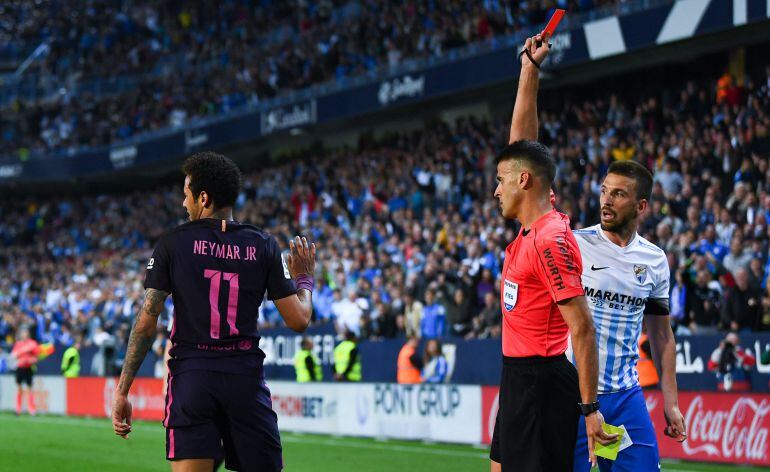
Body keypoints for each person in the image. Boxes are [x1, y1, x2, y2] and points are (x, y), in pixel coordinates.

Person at [111, 151, 317, 472]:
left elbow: (146, 323)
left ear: (203, 198)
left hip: (192, 379)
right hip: (245, 381)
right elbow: (299, 319)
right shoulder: (263, 245)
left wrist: (123, 391)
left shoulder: (172, 244)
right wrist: (304, 278)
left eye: (186, 195)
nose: (183, 204)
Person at [490, 33, 614, 472]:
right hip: (517, 376)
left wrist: (589, 408)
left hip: (540, 383)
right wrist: (529, 69)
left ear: (523, 183)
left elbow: (582, 327)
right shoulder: (533, 224)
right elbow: (522, 149)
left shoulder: (550, 240)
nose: (495, 190)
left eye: (501, 181)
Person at [571, 160, 687, 472]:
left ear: (641, 206)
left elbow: (662, 336)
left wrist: (671, 403)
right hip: (570, 396)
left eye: (619, 194)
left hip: (623, 398)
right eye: (605, 191)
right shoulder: (575, 244)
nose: (606, 200)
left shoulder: (654, 260)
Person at [11, 327, 40, 415]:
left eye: (26, 333)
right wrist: (19, 356)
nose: (24, 335)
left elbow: (36, 357)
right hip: (20, 368)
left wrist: (31, 360)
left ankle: (31, 409)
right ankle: (18, 409)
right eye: (23, 333)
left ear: (28, 334)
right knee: (19, 389)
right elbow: (13, 355)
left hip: (28, 368)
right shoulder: (18, 344)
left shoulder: (33, 344)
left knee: (29, 389)